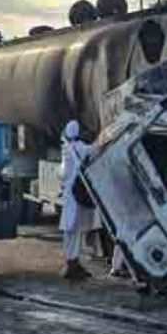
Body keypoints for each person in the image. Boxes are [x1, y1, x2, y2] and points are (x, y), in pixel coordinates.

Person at [59, 120, 96, 280]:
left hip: (69, 195)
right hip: (78, 195)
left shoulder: (66, 149)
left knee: (70, 231)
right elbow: (95, 150)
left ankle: (72, 262)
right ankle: (73, 264)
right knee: (75, 230)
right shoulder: (82, 148)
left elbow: (63, 175)